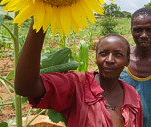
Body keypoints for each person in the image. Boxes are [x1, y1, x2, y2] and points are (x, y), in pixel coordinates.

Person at [15, 21, 143, 127]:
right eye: (103, 53)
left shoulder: (132, 96)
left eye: (118, 54)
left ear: (127, 61)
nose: (109, 60)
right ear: (96, 58)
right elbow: (26, 87)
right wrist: (39, 22)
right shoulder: (77, 86)